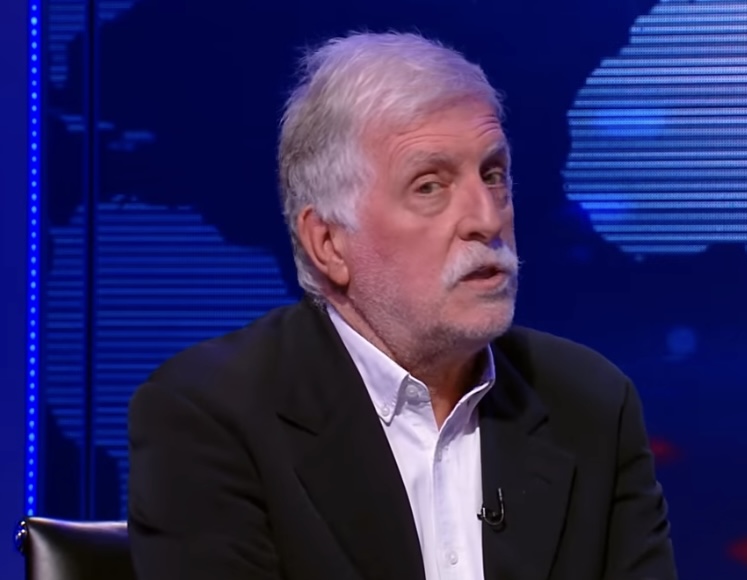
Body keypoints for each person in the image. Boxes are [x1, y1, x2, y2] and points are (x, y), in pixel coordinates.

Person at [126, 31, 677, 580]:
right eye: (429, 187)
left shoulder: (590, 405)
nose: (486, 218)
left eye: (493, 175)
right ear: (329, 243)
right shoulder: (211, 416)